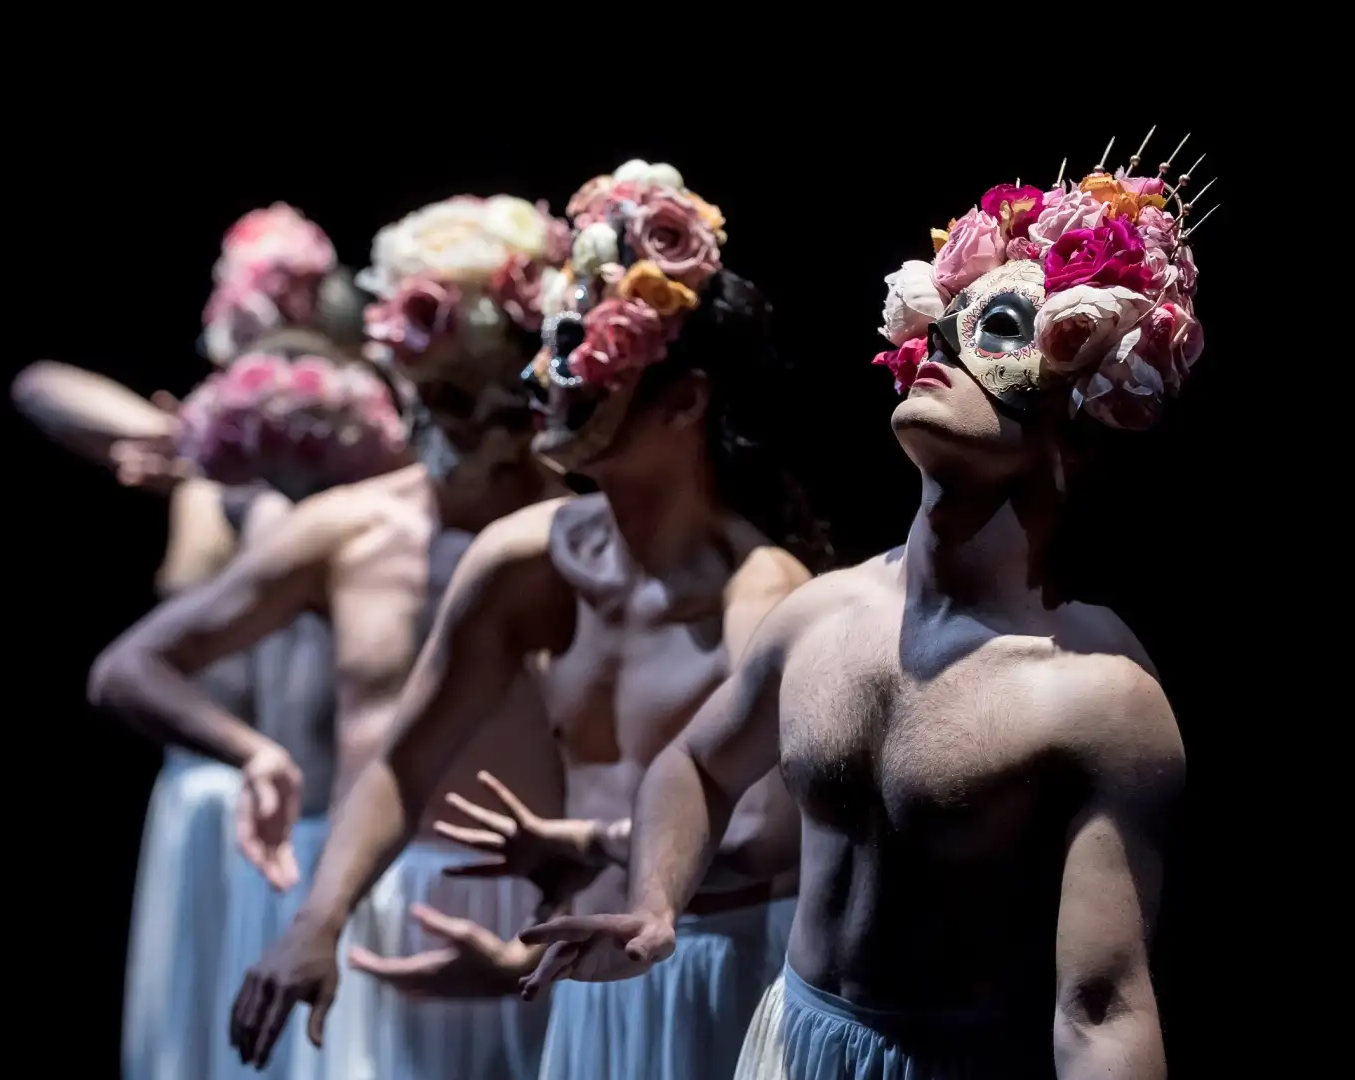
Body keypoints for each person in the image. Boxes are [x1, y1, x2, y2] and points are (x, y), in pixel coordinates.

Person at [519, 145, 1211, 1078]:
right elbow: (694, 765)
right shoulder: (823, 614)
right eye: (942, 323)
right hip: (785, 1040)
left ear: (1081, 423)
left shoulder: (1099, 697)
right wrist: (655, 901)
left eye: (999, 327)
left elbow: (1103, 1008)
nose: (937, 354)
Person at [229, 160, 826, 1080]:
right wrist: (318, 920)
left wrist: (592, 847)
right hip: (587, 961)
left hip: (714, 967)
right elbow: (406, 759)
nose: (544, 377)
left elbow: (772, 830)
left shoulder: (760, 591)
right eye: (551, 342)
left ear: (685, 400)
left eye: (586, 351)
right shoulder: (526, 557)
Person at [94, 193, 574, 1080]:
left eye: (480, 401)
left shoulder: (587, 534)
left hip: (554, 903)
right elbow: (131, 667)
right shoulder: (353, 530)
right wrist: (252, 754)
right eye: (427, 394)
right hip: (375, 897)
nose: (450, 423)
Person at [19, 202, 395, 1080]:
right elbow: (39, 386)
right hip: (203, 797)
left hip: (307, 801)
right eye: (261, 367)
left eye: (299, 369)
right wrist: (181, 437)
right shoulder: (199, 469)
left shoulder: (355, 502)